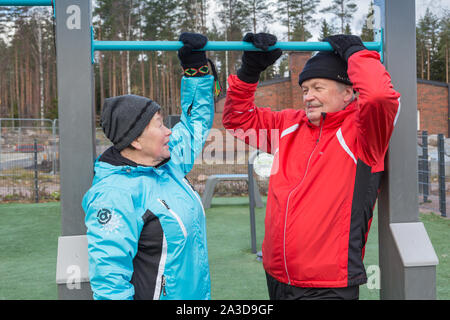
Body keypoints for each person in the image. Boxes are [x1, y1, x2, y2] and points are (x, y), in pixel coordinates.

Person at [222, 33, 401, 300]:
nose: (308, 97)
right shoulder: (289, 125)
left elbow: (378, 96)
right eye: (305, 90)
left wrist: (356, 53)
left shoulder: (363, 134)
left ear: (348, 92)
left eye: (318, 87)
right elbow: (237, 120)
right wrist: (249, 72)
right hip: (277, 275)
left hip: (328, 285)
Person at [82, 32, 215, 300]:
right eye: (159, 124)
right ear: (136, 140)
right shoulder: (115, 193)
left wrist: (196, 71)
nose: (169, 131)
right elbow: (110, 284)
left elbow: (195, 123)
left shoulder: (167, 164)